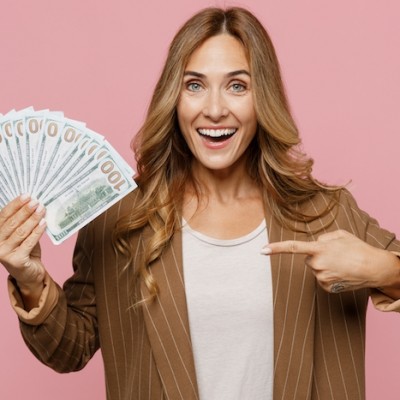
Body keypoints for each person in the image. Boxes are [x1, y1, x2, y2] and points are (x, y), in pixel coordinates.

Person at [1, 6, 400, 400]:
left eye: (237, 86)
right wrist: (31, 280)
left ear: (264, 99)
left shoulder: (325, 212)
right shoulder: (119, 217)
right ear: (174, 99)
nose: (213, 109)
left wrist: (377, 267)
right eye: (195, 85)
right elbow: (70, 350)